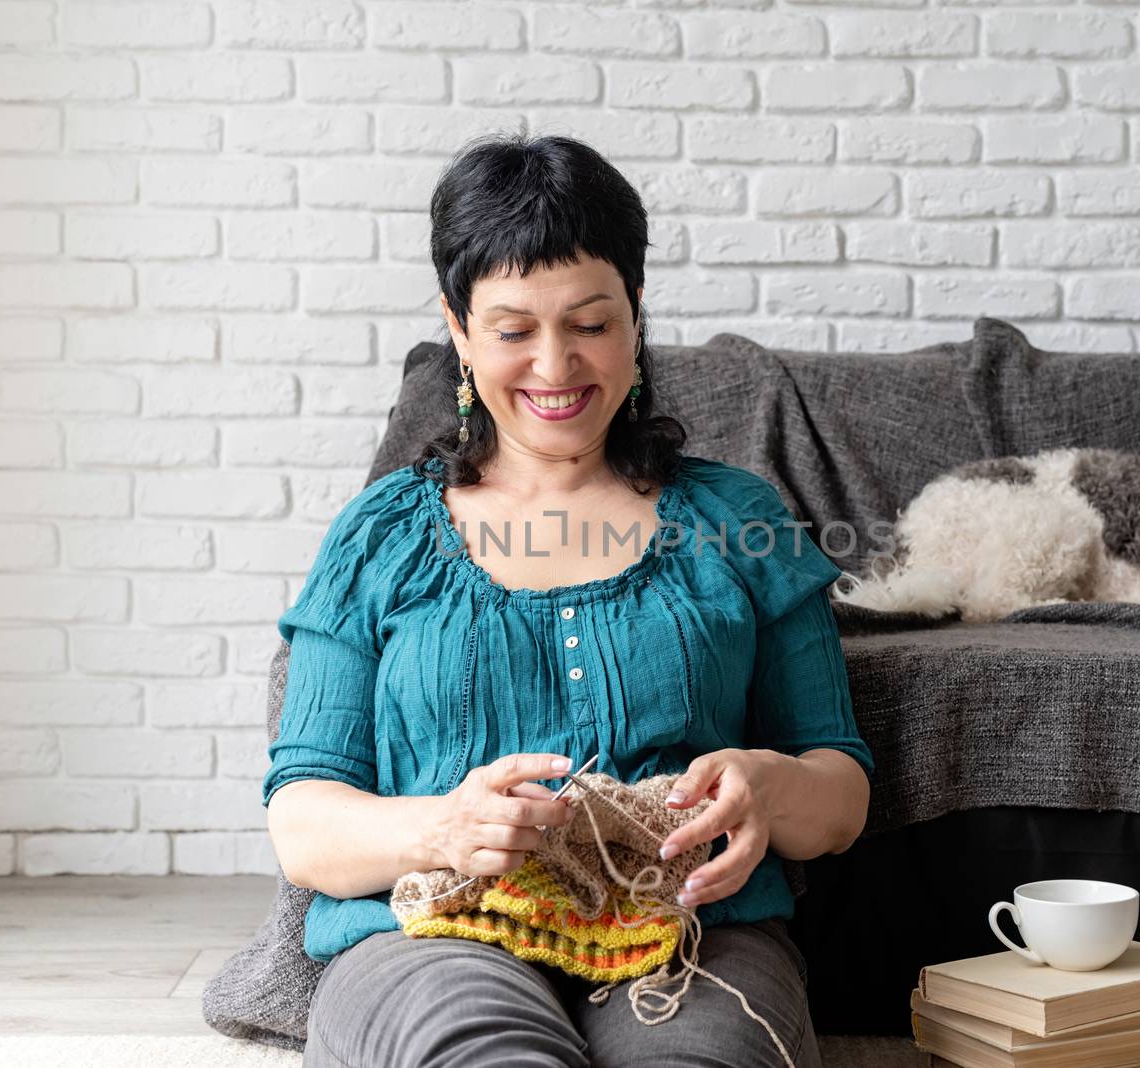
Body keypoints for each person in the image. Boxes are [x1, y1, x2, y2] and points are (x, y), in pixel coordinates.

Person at [262, 132, 874, 1068]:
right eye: (513, 330)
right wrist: (444, 827)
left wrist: (770, 786)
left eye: (590, 323)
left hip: (695, 938)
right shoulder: (380, 535)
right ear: (459, 331)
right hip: (433, 938)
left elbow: (841, 791)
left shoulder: (737, 521)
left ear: (635, 316)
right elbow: (304, 818)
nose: (556, 367)